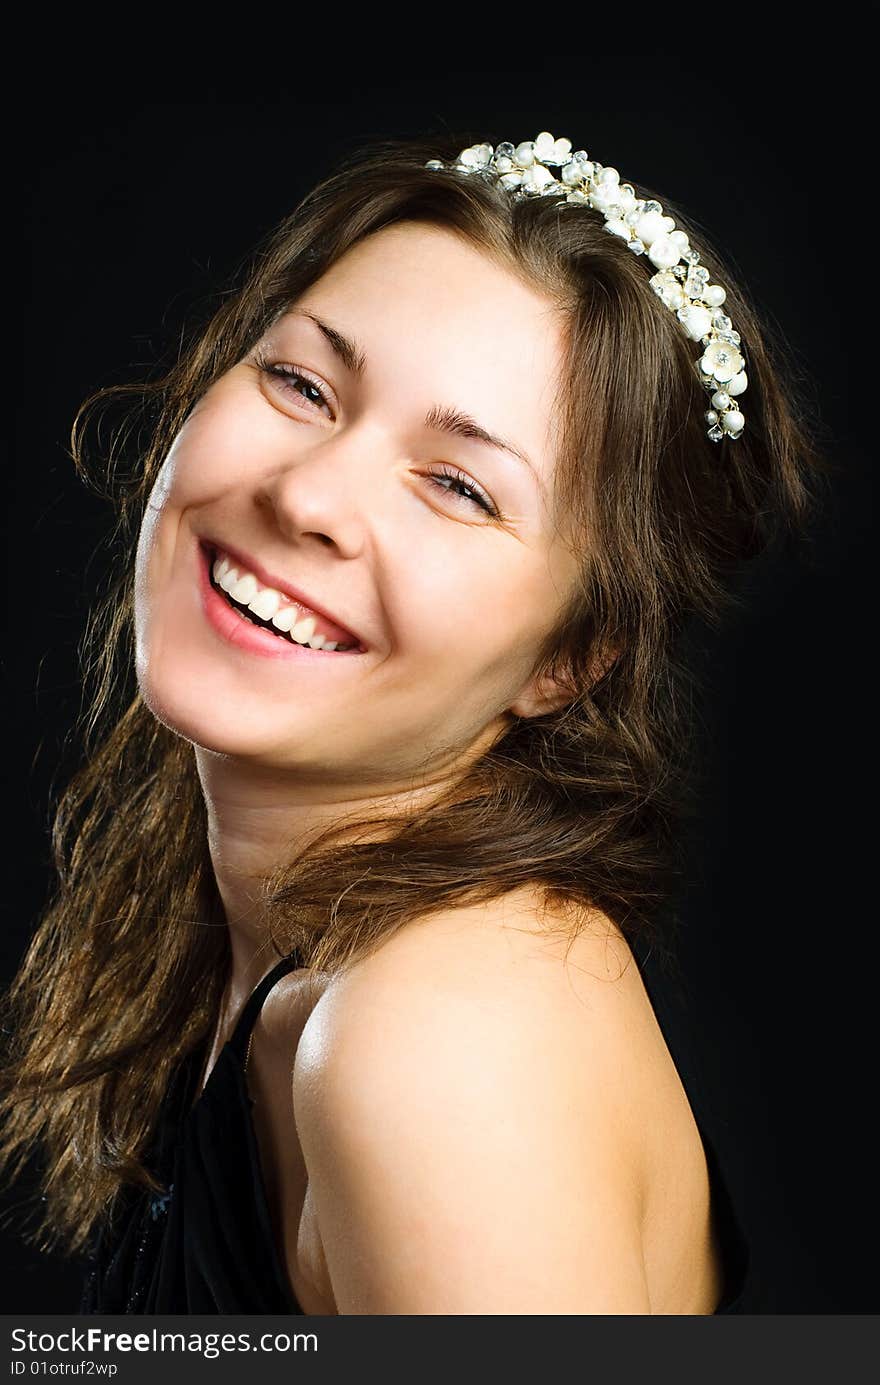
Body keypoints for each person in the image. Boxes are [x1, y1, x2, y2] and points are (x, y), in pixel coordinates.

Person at [1, 130, 826, 1314]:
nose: (306, 494)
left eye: (459, 485)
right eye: (301, 385)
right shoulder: (317, 952)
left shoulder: (436, 1032)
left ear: (570, 659)